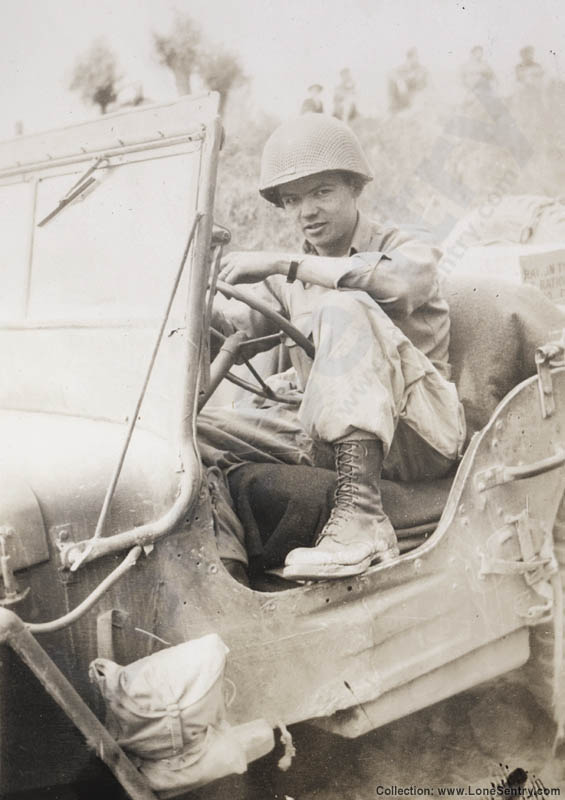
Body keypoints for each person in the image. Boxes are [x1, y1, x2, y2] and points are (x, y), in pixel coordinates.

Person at [203, 113, 465, 581]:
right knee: (191, 436)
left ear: (354, 188)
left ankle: (362, 521)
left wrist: (286, 262)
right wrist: (199, 311)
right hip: (326, 435)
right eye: (292, 200)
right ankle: (226, 574)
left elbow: (401, 285)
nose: (307, 212)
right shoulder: (291, 278)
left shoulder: (409, 245)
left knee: (342, 308)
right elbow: (240, 333)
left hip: (416, 434)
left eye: (322, 192)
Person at [388, 48, 428, 113]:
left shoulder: (422, 70)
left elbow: (424, 84)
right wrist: (400, 81)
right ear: (409, 58)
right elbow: (392, 74)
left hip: (416, 96)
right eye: (416, 57)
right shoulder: (402, 68)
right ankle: (396, 106)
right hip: (403, 97)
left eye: (417, 57)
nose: (417, 59)